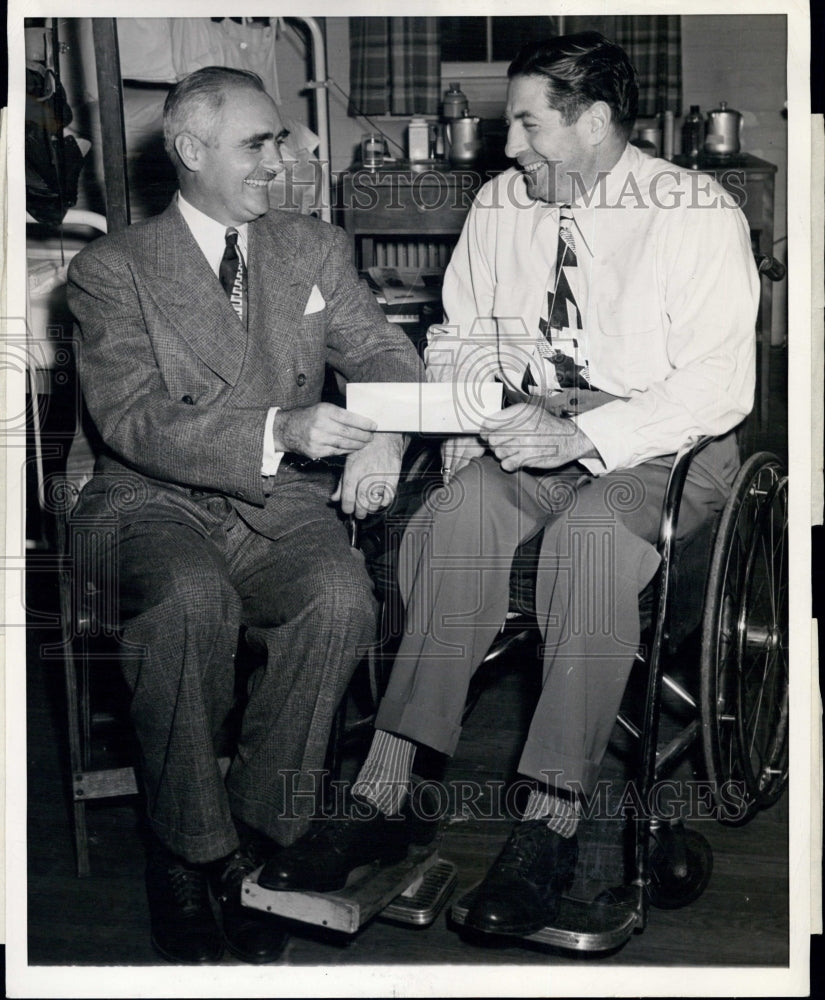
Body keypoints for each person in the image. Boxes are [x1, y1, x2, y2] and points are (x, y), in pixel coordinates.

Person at [258, 32, 759, 937]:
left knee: (591, 544)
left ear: (595, 121)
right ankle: (388, 791)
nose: (508, 146)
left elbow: (718, 386)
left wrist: (580, 431)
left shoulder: (691, 210)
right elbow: (459, 337)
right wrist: (427, 431)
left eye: (527, 124)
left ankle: (549, 819)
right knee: (451, 522)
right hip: (533, 431)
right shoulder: (502, 204)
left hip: (662, 443)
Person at [66, 66, 423, 964]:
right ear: (190, 152)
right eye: (257, 143)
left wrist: (384, 435)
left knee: (340, 598)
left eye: (283, 140)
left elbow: (381, 347)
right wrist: (281, 426)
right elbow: (133, 419)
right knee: (190, 602)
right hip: (145, 498)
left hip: (275, 505)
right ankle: (189, 853)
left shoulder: (308, 246)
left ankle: (262, 841)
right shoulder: (112, 269)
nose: (284, 158)